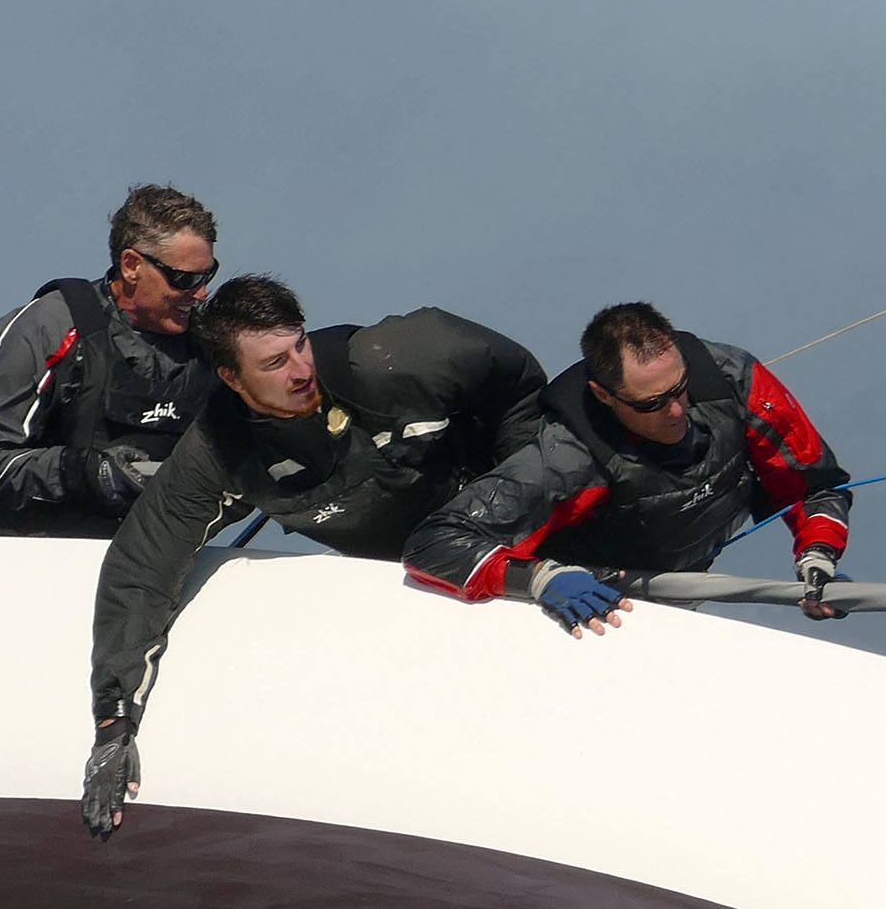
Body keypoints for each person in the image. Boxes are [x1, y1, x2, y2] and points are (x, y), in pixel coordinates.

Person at [80, 275, 550, 835]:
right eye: (274, 363)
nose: (301, 370)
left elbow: (520, 380)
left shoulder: (403, 356)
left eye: (299, 344)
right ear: (232, 378)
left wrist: (518, 510)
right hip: (420, 583)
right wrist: (114, 725)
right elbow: (141, 570)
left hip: (515, 527)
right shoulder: (218, 453)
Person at [401, 301, 851, 635]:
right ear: (605, 395)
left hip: (680, 588)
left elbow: (812, 483)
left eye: (680, 388)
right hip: (588, 609)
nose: (676, 411)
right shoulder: (569, 457)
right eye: (651, 404)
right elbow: (434, 544)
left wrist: (818, 554)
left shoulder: (733, 379)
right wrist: (539, 578)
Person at [0, 184, 224, 537]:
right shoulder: (48, 327)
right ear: (131, 265)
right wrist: (86, 472)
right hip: (26, 552)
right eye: (184, 279)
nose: (200, 293)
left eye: (207, 275)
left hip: (143, 556)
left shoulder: (212, 346)